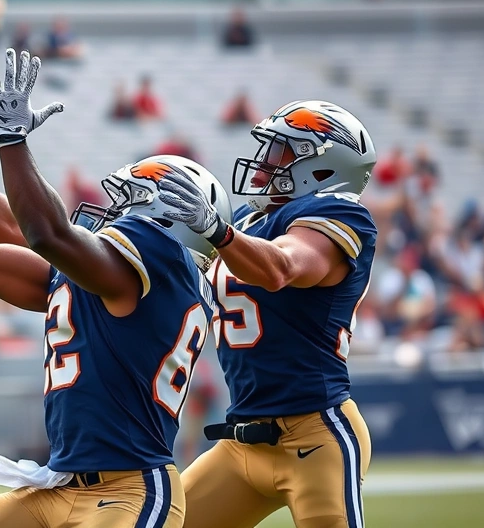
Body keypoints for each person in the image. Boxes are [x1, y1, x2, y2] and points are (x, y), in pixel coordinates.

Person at [0, 48, 231, 527]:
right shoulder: (103, 275)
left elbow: (45, 233)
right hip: (57, 483)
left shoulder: (160, 263)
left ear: (167, 217)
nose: (113, 212)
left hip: (130, 491)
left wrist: (12, 138)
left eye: (130, 201)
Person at [157, 100, 378, 528]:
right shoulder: (246, 221)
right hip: (242, 442)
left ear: (323, 166)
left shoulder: (338, 213)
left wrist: (217, 232)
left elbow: (281, 268)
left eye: (281, 151)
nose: (263, 161)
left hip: (316, 435)